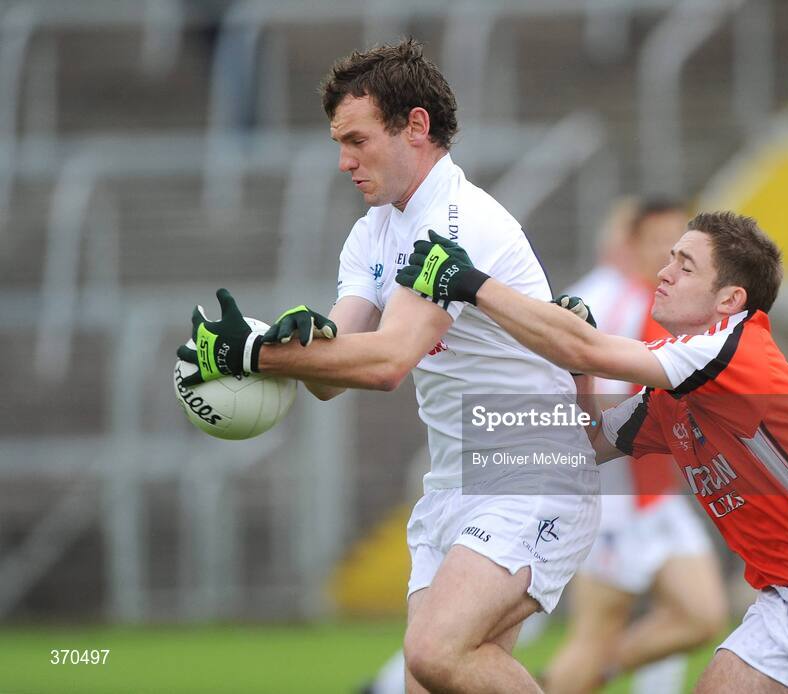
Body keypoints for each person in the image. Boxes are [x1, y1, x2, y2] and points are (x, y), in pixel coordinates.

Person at [177, 39, 598, 693]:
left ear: (416, 126)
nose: (344, 161)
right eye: (338, 144)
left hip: (532, 469)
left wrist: (253, 353)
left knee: (435, 651)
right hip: (456, 479)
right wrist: (303, 343)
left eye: (357, 140)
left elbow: (388, 362)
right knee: (427, 683)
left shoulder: (459, 222)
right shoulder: (372, 234)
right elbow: (330, 378)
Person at [397, 211, 788, 693]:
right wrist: (580, 376)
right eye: (668, 258)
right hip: (781, 610)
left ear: (730, 300)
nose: (663, 271)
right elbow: (583, 442)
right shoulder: (670, 396)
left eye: (685, 265)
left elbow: (586, 345)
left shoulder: (738, 347)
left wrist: (468, 283)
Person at [543, 198, 727, 694]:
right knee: (593, 636)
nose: (670, 261)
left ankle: (577, 677)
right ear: (630, 245)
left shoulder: (676, 308)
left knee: (702, 615)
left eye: (681, 250)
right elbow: (567, 388)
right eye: (658, 245)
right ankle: (568, 679)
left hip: (656, 498)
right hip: (612, 502)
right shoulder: (605, 302)